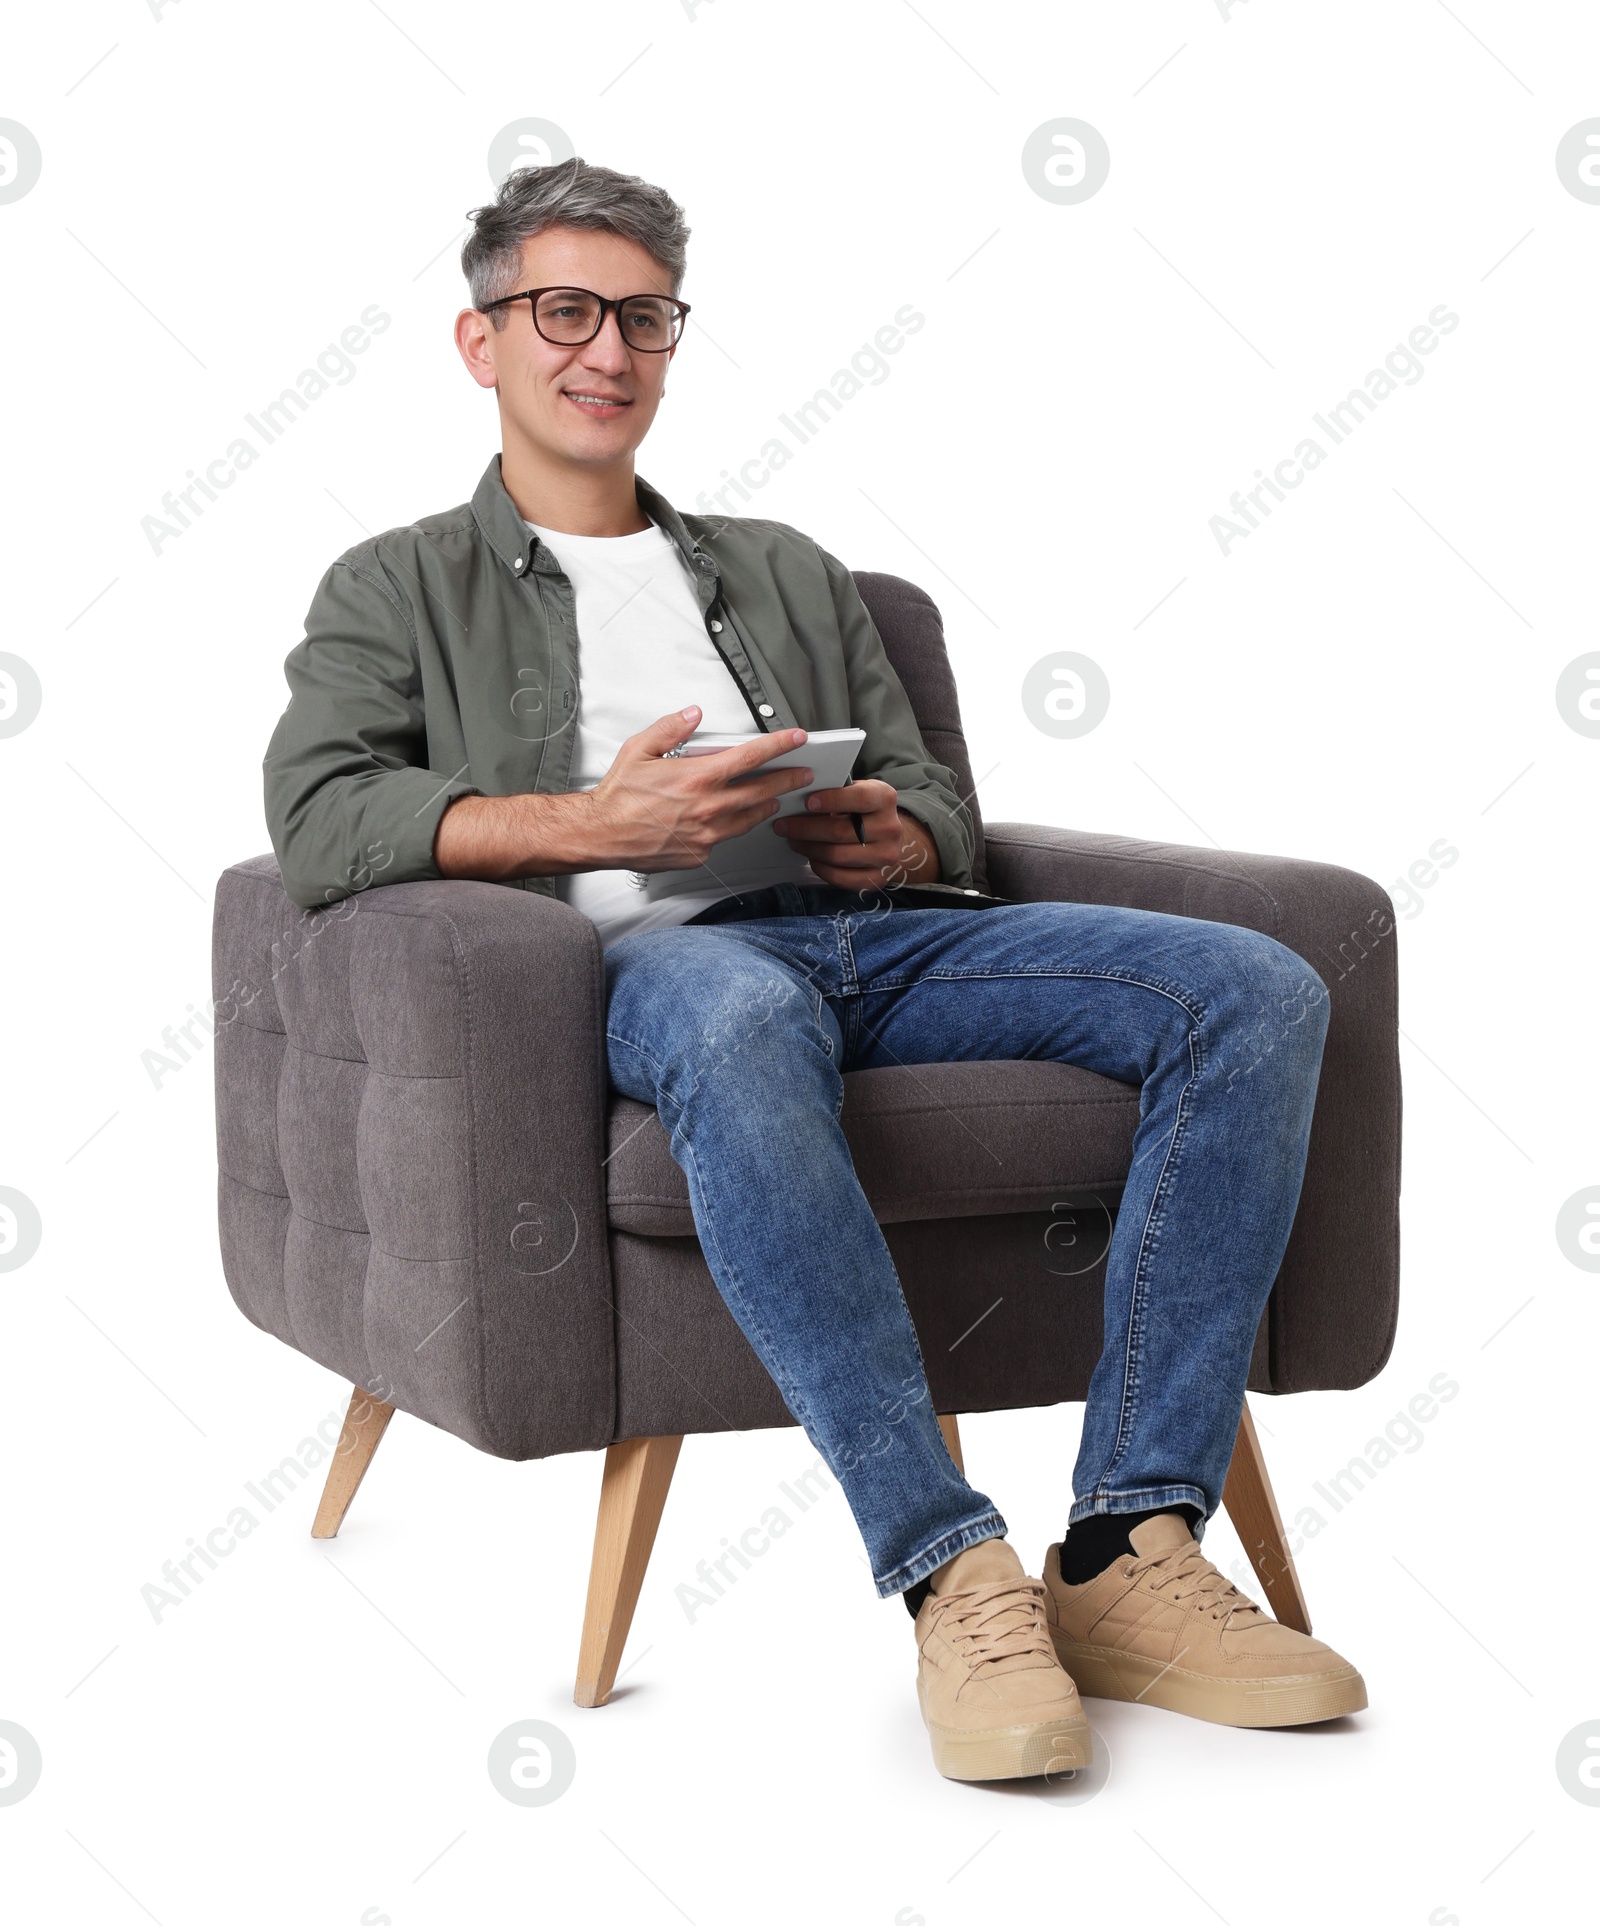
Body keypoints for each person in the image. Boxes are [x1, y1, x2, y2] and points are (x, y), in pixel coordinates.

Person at [263, 156, 1367, 1782]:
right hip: (648, 967)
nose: (607, 349)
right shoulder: (394, 582)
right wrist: (593, 818)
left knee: (1256, 985)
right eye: (563, 309)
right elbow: (318, 816)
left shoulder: (785, 567)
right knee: (743, 1012)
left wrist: (892, 839)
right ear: (479, 339)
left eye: (644, 315)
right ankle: (948, 1569)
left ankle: (1131, 1548)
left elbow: (936, 799)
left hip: (875, 936)